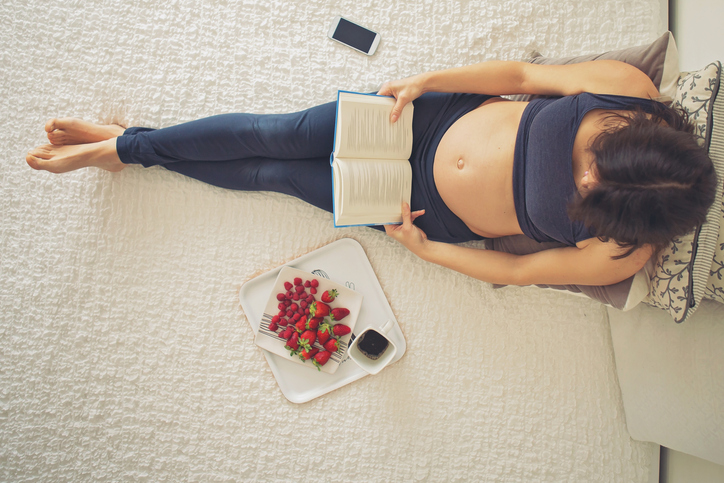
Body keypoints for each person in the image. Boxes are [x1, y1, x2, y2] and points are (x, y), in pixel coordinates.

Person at [26, 60, 717, 287]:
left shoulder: (623, 254)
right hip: (425, 120)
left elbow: (516, 274)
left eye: (596, 199)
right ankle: (125, 149)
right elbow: (524, 74)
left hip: (417, 208)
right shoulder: (627, 91)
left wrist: (427, 249)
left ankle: (122, 147)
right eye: (597, 163)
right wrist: (427, 80)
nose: (587, 185)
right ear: (644, 138)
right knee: (276, 131)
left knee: (273, 174)